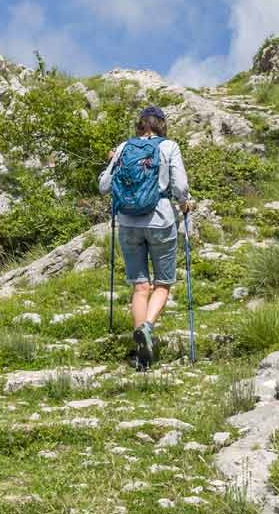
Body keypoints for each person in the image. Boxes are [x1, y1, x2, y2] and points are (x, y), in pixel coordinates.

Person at [98, 105, 191, 369]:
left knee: (140, 286)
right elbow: (180, 186)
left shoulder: (124, 147)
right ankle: (147, 328)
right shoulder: (169, 146)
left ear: (140, 125)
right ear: (161, 124)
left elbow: (104, 186)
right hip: (160, 219)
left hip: (127, 222)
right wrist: (184, 203)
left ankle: (141, 350)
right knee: (162, 284)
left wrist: (112, 159)